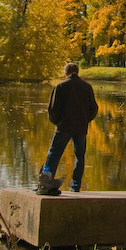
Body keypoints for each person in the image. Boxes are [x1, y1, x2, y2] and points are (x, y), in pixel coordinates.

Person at [37, 62, 99, 195]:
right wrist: (85, 120)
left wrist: (57, 122)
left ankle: (46, 182)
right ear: (78, 72)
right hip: (81, 127)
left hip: (63, 126)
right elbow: (94, 109)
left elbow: (52, 109)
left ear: (65, 73)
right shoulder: (87, 87)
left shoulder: (60, 86)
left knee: (53, 154)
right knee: (79, 156)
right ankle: (75, 186)